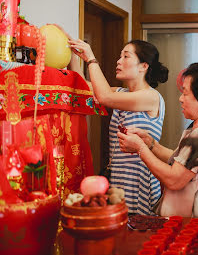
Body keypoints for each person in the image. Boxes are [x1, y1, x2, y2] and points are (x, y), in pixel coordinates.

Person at [68, 37, 168, 215]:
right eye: (120, 56)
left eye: (126, 56)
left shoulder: (151, 97)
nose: (119, 61)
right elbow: (86, 88)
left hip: (139, 183)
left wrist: (91, 59)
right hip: (119, 181)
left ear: (143, 66)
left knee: (139, 237)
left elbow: (105, 97)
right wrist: (75, 55)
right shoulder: (121, 92)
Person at [118, 63, 198, 218]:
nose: (180, 99)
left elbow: (173, 179)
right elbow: (184, 162)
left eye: (185, 93)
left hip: (192, 225)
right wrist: (151, 144)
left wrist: (140, 149)